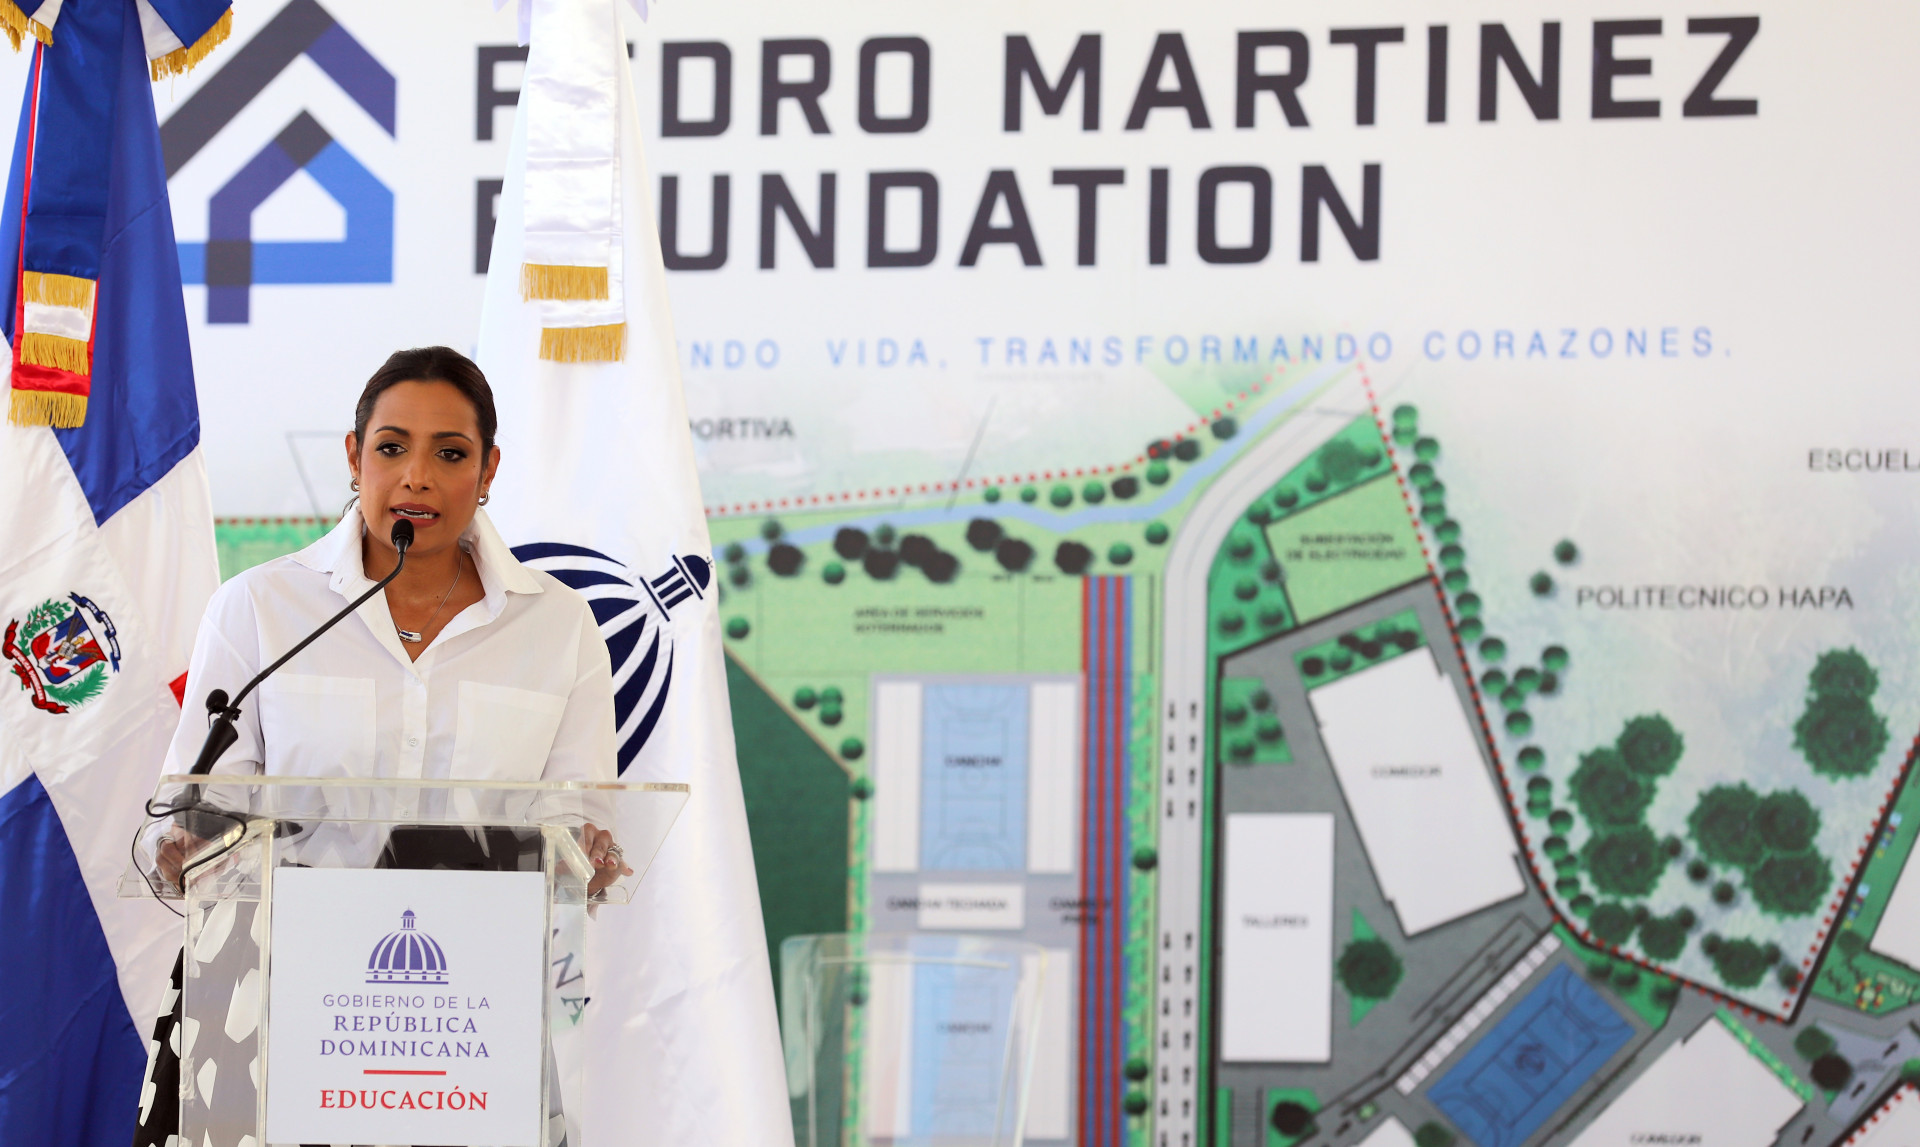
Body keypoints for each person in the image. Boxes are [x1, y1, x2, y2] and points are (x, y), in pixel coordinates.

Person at [132, 346, 629, 1147]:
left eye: (451, 453)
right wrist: (188, 845)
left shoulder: (559, 627)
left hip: (468, 1024)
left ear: (489, 468)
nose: (416, 477)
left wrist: (588, 855)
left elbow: (581, 824)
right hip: (272, 1005)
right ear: (353, 456)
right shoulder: (260, 609)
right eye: (392, 447)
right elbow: (201, 807)